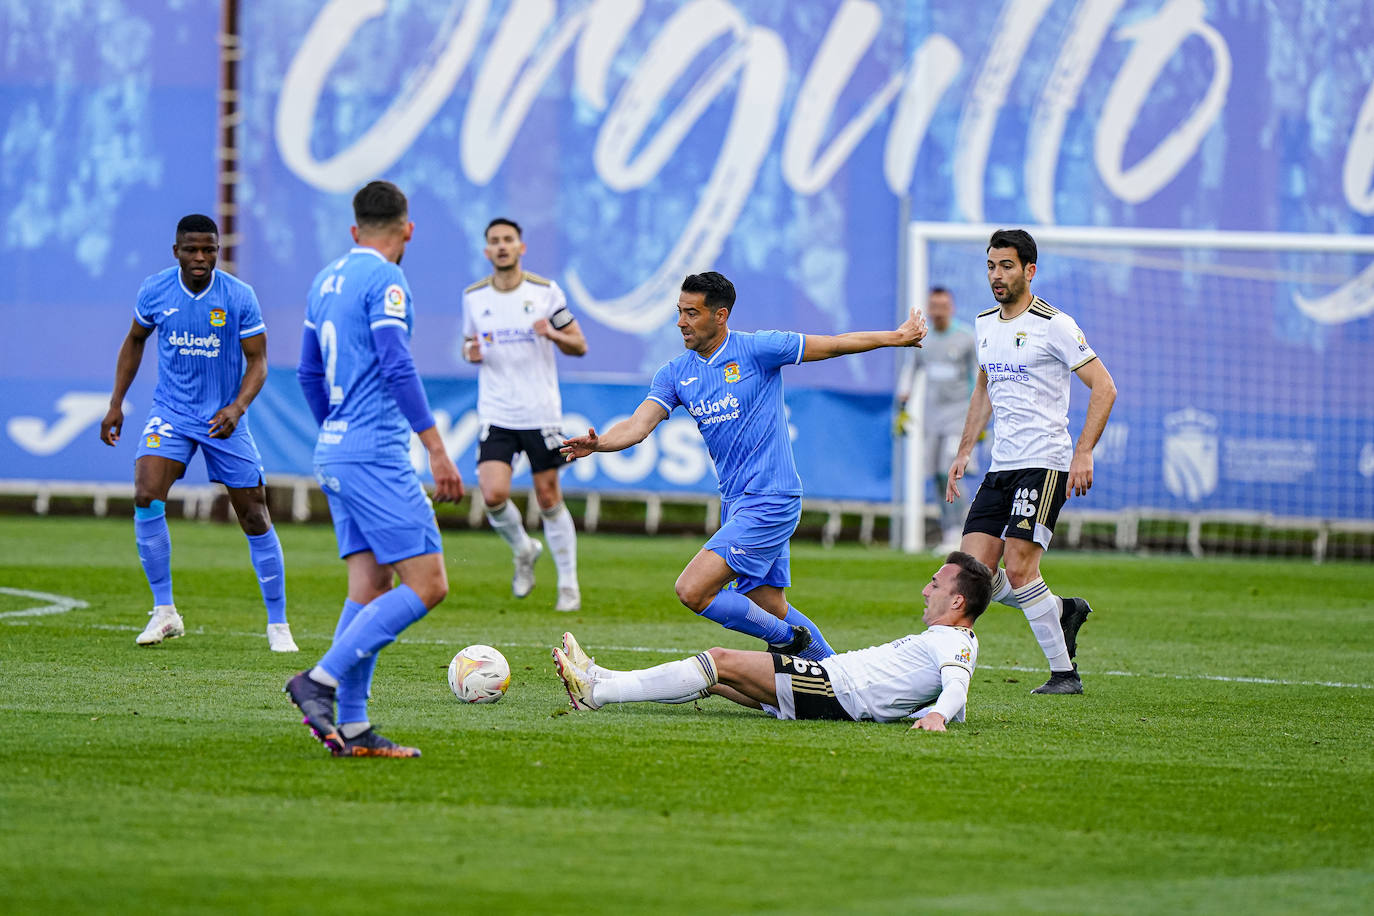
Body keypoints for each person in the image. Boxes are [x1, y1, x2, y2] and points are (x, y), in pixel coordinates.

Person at [561, 271, 927, 661]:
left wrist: (896, 337)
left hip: (772, 497)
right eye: (679, 312)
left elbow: (834, 345)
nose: (681, 322)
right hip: (736, 502)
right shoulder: (674, 373)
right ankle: (838, 675)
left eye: (691, 313)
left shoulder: (759, 349)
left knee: (693, 590)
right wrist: (600, 444)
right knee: (765, 603)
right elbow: (637, 426)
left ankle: (788, 641)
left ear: (720, 316)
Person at [286, 180, 466, 758]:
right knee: (429, 583)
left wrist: (334, 430)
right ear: (407, 229)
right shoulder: (387, 281)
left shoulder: (324, 280)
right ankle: (319, 680)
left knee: (370, 585)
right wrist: (436, 448)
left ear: (353, 229)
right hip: (374, 451)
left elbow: (308, 374)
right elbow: (395, 360)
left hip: (335, 447)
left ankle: (356, 727)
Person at [99, 214, 297, 653]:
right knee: (146, 494)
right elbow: (134, 340)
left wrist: (238, 407)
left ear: (218, 250)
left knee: (254, 515)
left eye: (209, 249)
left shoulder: (238, 296)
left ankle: (278, 624)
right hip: (170, 413)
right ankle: (164, 612)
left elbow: (259, 362)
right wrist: (116, 403)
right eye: (192, 249)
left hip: (223, 419)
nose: (201, 257)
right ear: (177, 252)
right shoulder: (155, 290)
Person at [946, 229, 1117, 695]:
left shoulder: (1054, 324)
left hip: (1045, 463)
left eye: (1006, 266)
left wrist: (1083, 452)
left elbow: (1104, 387)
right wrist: (964, 450)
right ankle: (1060, 610)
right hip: (1001, 465)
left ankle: (1065, 674)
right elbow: (983, 389)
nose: (996, 276)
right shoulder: (983, 323)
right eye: (990, 266)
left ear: (1029, 270)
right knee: (970, 573)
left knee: (1020, 569)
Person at [551, 551, 992, 731]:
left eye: (934, 585)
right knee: (716, 681)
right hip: (832, 687)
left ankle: (598, 694)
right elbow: (949, 692)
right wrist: (930, 710)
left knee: (720, 659)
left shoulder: (956, 642)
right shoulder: (946, 638)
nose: (924, 590)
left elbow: (957, 684)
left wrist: (938, 716)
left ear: (957, 601)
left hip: (834, 690)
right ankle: (599, 676)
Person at [461, 218, 587, 612]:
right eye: (494, 241)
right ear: (486, 251)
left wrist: (552, 333)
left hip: (539, 411)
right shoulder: (474, 297)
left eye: (508, 240)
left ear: (521, 247)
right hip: (497, 411)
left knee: (548, 496)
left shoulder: (545, 292)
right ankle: (524, 549)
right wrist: (470, 353)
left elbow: (579, 344)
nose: (501, 247)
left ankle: (568, 584)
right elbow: (469, 343)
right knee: (493, 494)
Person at [895, 286, 979, 552]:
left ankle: (964, 533)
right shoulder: (924, 340)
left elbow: (979, 379)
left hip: (959, 418)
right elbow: (913, 370)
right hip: (932, 419)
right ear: (929, 308)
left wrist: (978, 418)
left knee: (949, 470)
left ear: (951, 308)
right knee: (937, 477)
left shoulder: (966, 338)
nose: (939, 311)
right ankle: (949, 532)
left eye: (944, 306)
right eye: (935, 306)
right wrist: (903, 398)